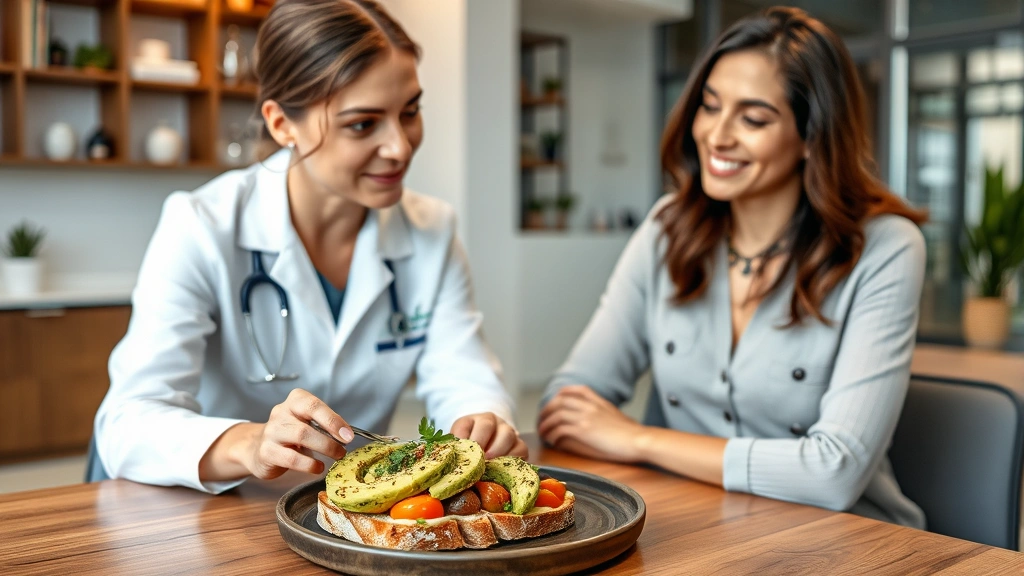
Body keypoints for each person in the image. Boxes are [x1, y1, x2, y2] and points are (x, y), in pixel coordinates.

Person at [93, 0, 526, 493]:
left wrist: (481, 421)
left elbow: (463, 374)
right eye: (362, 124)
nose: (401, 147)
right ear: (281, 124)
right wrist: (250, 443)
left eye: (410, 112)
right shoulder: (201, 225)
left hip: (354, 513)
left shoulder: (433, 230)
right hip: (223, 512)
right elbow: (127, 422)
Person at [538, 7, 928, 528]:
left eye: (753, 118)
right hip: (701, 525)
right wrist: (590, 421)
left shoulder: (885, 249)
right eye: (710, 106)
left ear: (813, 136)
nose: (716, 136)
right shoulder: (667, 229)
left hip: (852, 541)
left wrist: (637, 438)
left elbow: (834, 473)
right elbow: (567, 404)